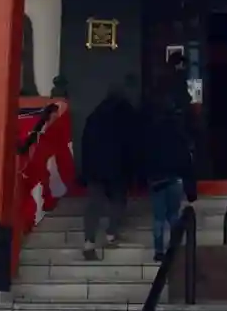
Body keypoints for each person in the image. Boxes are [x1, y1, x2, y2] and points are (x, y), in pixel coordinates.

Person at [79, 75, 140, 260]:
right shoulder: (127, 114)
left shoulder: (95, 115)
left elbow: (86, 144)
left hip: (95, 168)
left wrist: (85, 170)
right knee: (118, 200)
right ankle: (111, 233)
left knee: (94, 204)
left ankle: (89, 241)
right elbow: (132, 143)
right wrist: (133, 169)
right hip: (117, 167)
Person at [144, 61, 197, 263]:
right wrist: (191, 188)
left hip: (156, 179)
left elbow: (145, 155)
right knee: (173, 215)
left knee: (158, 217)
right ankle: (174, 246)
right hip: (174, 178)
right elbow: (185, 159)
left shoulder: (151, 132)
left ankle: (159, 251)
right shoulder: (178, 132)